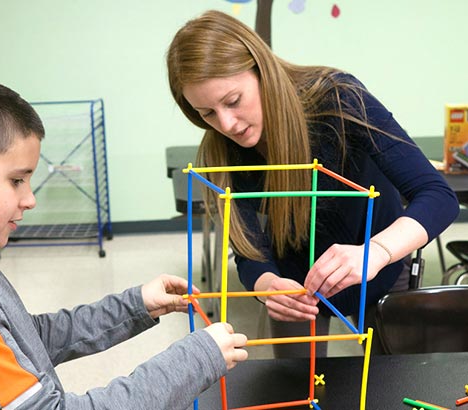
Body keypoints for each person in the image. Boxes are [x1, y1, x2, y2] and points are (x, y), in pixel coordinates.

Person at [0, 69, 248, 409]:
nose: (30, 198)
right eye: (16, 180)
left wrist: (135, 305)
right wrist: (197, 357)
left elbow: (31, 340)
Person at [166, 10, 459, 357]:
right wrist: (268, 286)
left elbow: (438, 196)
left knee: (389, 384)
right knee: (299, 388)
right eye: (207, 113)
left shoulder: (338, 98)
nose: (226, 124)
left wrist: (373, 253)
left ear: (262, 72)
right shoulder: (220, 153)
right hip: (298, 290)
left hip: (380, 267)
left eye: (233, 101)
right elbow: (248, 251)